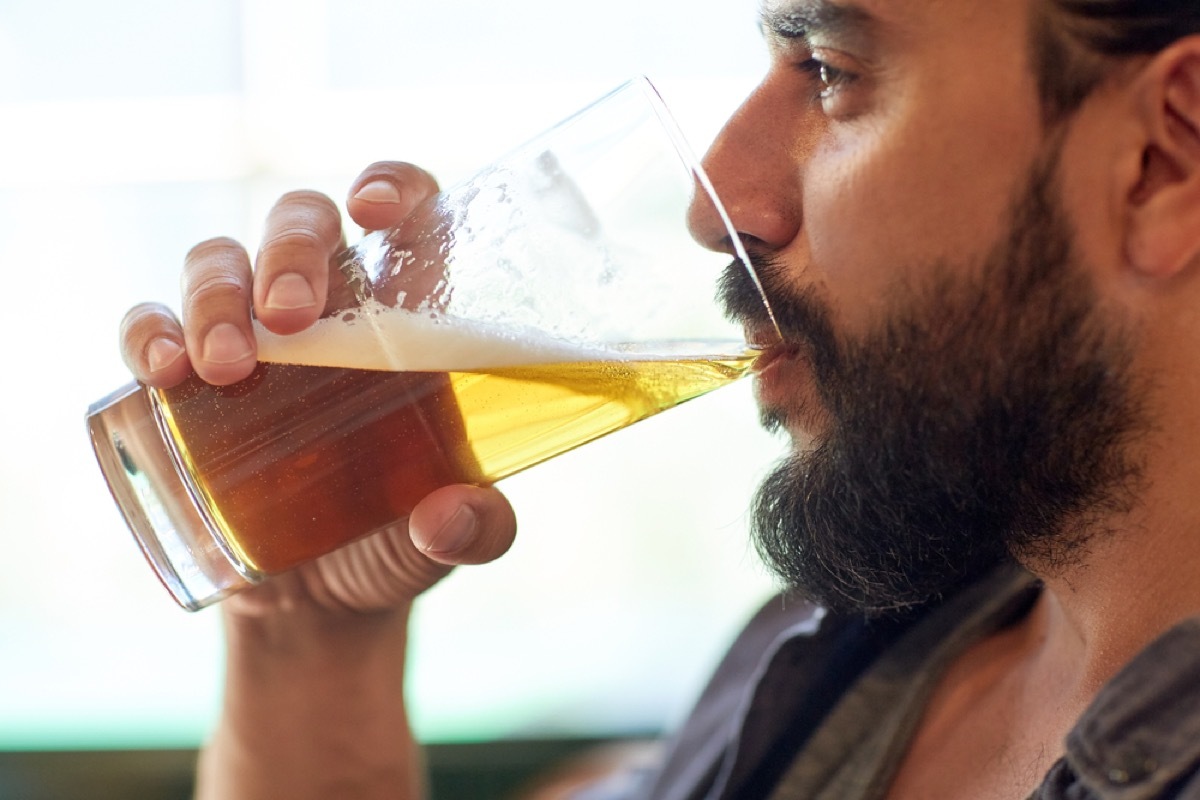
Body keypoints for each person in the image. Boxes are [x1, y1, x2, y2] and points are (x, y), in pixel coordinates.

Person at [118, 0, 1200, 797]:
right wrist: (305, 643)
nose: (716, 196)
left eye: (829, 71)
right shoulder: (860, 644)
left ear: (1162, 161)